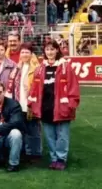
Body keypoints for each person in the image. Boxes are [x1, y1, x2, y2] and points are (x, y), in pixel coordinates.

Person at [28, 40, 80, 170]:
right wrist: (32, 104)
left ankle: (61, 158)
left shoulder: (65, 67)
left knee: (62, 136)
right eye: (47, 50)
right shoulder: (40, 68)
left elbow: (73, 86)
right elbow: (34, 87)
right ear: (44, 52)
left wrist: (71, 104)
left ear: (57, 50)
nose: (50, 52)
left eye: (52, 49)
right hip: (45, 108)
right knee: (50, 136)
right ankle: (54, 158)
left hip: (62, 108)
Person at [6, 43, 42, 161]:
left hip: (31, 104)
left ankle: (36, 154)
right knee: (23, 129)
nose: (24, 54)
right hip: (19, 104)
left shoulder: (37, 68)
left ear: (31, 54)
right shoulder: (17, 67)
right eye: (22, 52)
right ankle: (26, 152)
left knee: (34, 130)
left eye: (27, 52)